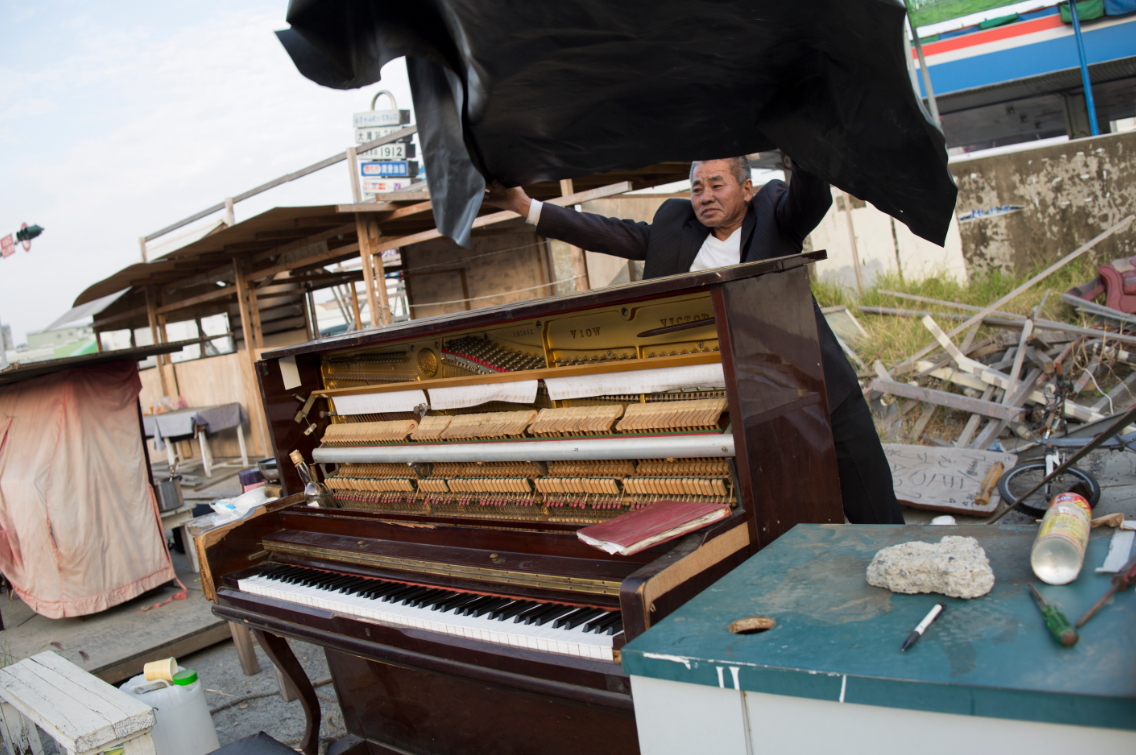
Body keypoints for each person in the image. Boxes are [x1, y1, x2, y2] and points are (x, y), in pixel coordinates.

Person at [485, 157, 903, 524]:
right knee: (785, 516)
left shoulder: (776, 210)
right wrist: (525, 206)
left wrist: (801, 142)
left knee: (873, 505)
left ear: (746, 189)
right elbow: (605, 232)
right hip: (744, 408)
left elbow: (811, 197)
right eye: (697, 188)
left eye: (717, 185)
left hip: (817, 388)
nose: (704, 196)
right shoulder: (675, 225)